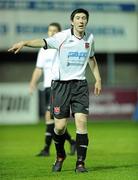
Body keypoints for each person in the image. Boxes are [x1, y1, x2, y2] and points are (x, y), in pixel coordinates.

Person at [8, 8, 102, 173]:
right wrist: (24, 42)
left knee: (81, 122)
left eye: (84, 18)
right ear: (72, 21)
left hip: (79, 85)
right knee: (59, 127)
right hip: (60, 86)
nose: (81, 21)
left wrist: (98, 79)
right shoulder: (62, 37)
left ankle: (80, 163)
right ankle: (60, 156)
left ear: (87, 21)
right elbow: (42, 41)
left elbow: (92, 58)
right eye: (78, 18)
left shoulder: (90, 38)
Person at [29, 23, 76, 156]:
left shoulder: (62, 47)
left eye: (55, 31)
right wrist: (32, 82)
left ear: (59, 33)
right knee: (51, 120)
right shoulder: (43, 49)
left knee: (50, 117)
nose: (52, 33)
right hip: (46, 87)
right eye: (50, 30)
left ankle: (46, 149)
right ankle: (71, 142)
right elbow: (39, 68)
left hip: (57, 86)